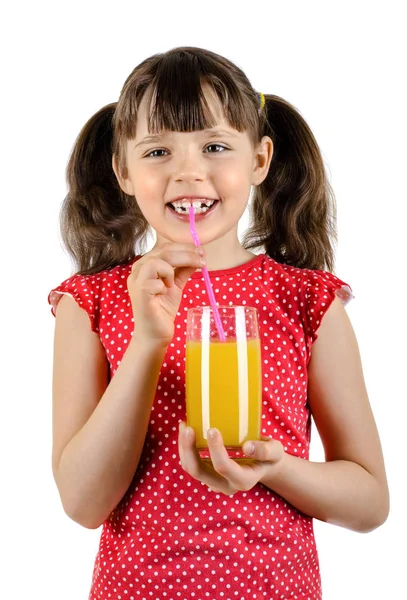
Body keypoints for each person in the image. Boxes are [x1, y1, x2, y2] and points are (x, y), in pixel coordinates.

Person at [48, 46, 389, 600]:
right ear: (123, 172)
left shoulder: (306, 301)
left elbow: (370, 501)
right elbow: (84, 504)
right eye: (157, 150)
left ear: (259, 160)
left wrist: (278, 469)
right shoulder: (90, 303)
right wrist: (147, 342)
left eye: (214, 146)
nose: (188, 172)